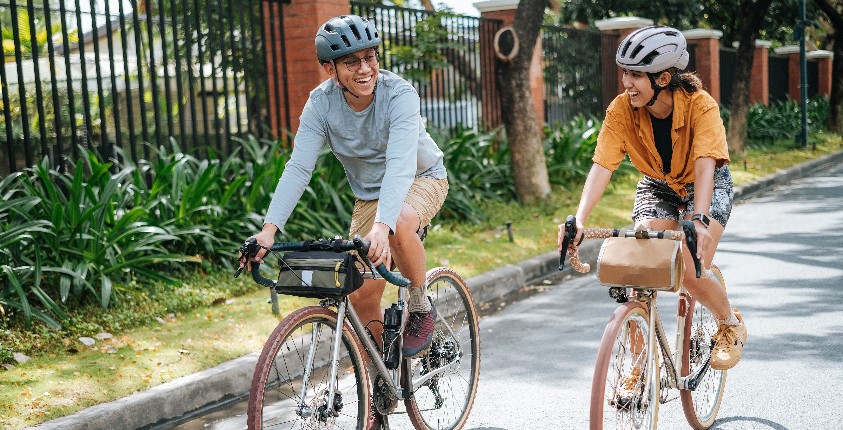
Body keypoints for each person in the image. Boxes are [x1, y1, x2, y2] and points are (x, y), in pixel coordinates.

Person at [239, 15, 449, 426]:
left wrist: (383, 227)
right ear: (330, 69)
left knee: (402, 223)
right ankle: (381, 383)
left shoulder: (399, 94)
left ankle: (421, 307)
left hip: (421, 179)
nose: (366, 68)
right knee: (360, 294)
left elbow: (401, 164)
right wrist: (268, 231)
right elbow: (299, 168)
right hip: (369, 197)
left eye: (370, 57)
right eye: (351, 62)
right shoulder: (320, 104)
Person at [557, 26, 746, 372]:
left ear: (662, 78)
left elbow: (705, 167)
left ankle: (729, 323)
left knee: (690, 268)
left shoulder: (701, 106)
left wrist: (699, 221)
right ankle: (640, 367)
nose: (626, 82)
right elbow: (602, 165)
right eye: (624, 73)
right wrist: (579, 218)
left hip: (704, 186)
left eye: (635, 75)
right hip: (658, 184)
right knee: (637, 266)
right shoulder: (621, 110)